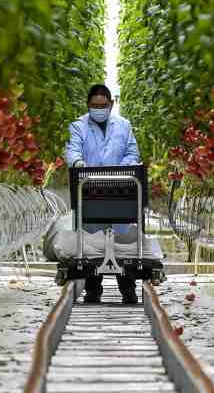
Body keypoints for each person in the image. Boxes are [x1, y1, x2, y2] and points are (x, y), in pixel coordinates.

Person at [65, 84, 141, 304]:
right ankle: (92, 289)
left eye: (103, 105)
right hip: (90, 191)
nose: (99, 109)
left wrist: (120, 171)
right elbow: (73, 150)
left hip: (119, 190)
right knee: (91, 243)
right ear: (88, 105)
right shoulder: (78, 126)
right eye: (94, 106)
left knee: (121, 243)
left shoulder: (124, 126)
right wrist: (80, 163)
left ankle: (128, 288)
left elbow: (132, 152)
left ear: (111, 104)